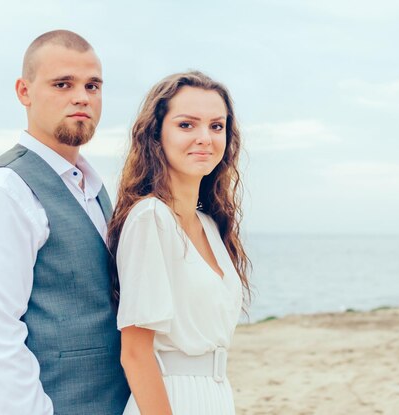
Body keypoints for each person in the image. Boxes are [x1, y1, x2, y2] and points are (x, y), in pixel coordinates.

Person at [0, 30, 130, 415]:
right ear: (24, 91)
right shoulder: (4, 190)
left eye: (93, 85)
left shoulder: (94, 189)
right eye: (63, 84)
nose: (82, 97)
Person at [107, 71, 252, 414]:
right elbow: (135, 353)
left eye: (217, 126)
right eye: (187, 125)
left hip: (216, 396)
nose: (205, 137)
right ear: (156, 134)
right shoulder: (150, 218)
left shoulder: (210, 225)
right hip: (171, 397)